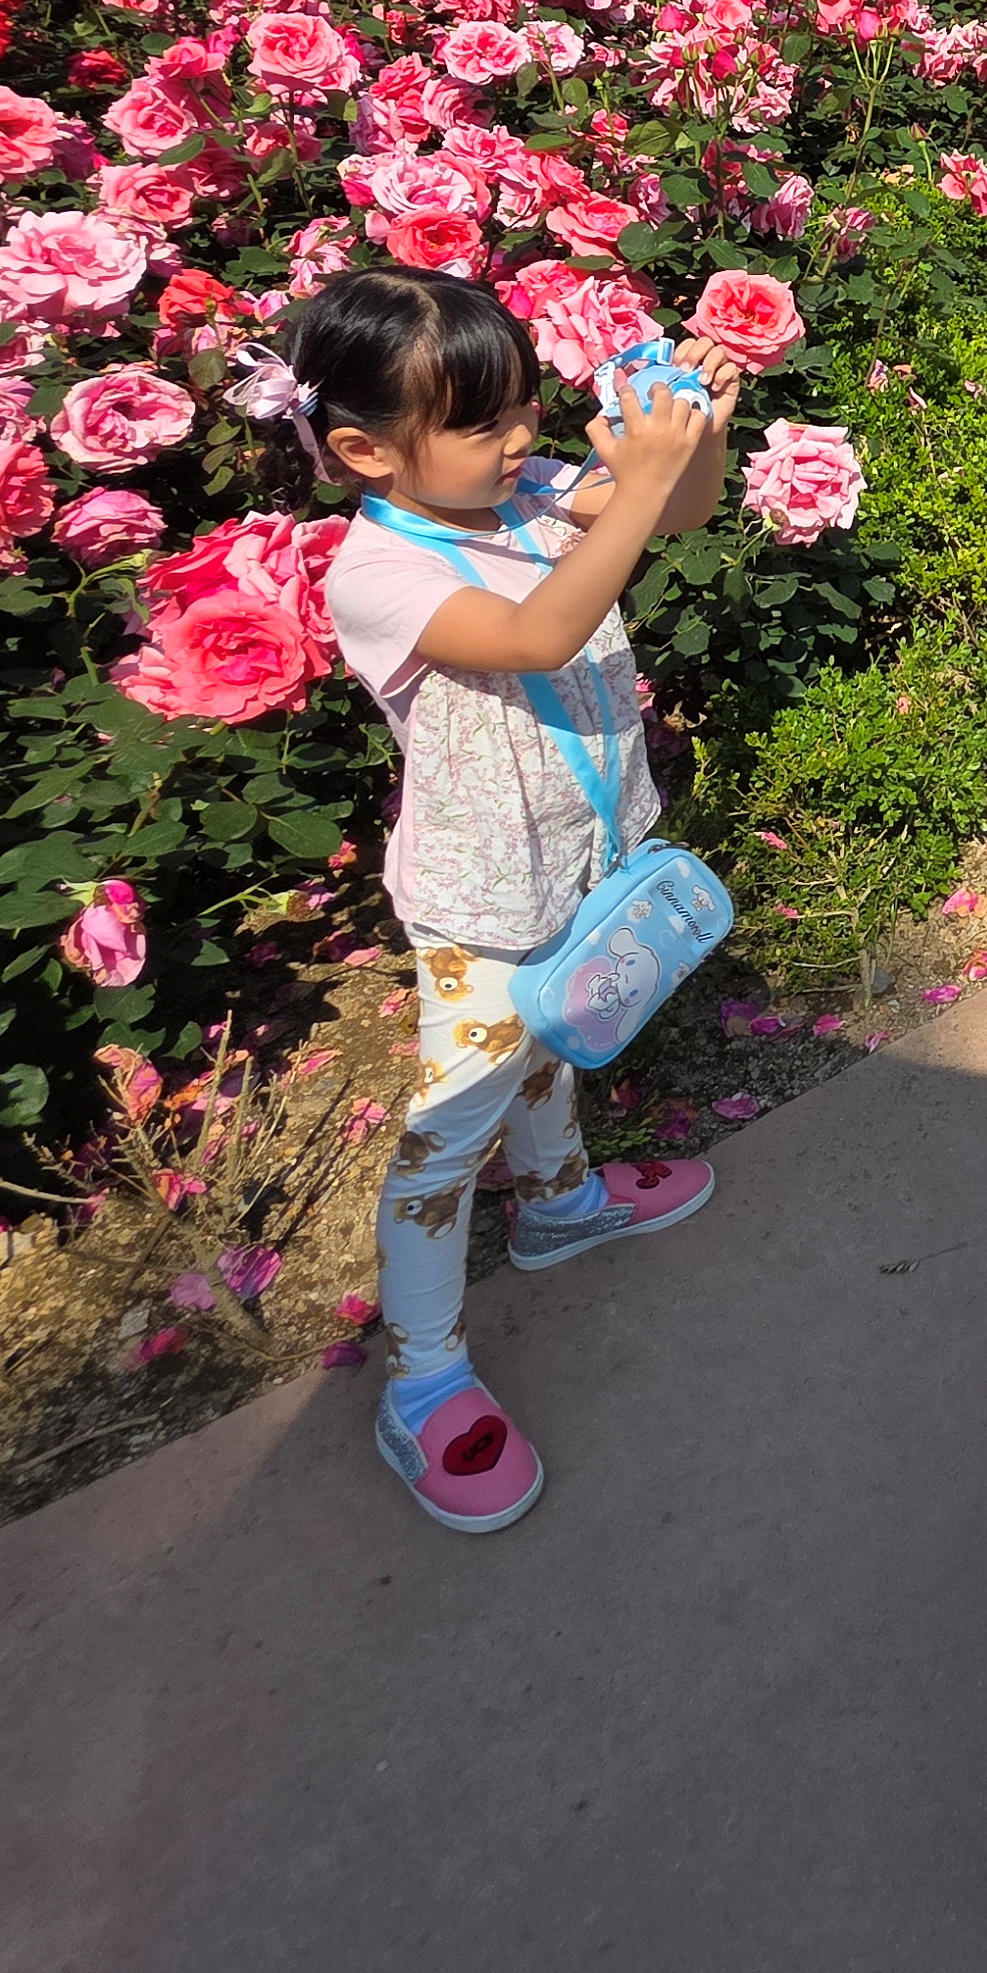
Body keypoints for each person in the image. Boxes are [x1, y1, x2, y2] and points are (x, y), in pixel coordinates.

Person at [282, 267, 744, 1535]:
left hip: (574, 853)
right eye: (485, 422)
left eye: (528, 408)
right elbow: (538, 635)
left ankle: (560, 1206)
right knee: (450, 1129)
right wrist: (634, 485)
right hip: (482, 895)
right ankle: (423, 1380)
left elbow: (680, 512)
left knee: (550, 1042)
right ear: (366, 451)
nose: (524, 436)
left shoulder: (527, 489)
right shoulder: (379, 570)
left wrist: (695, 437)